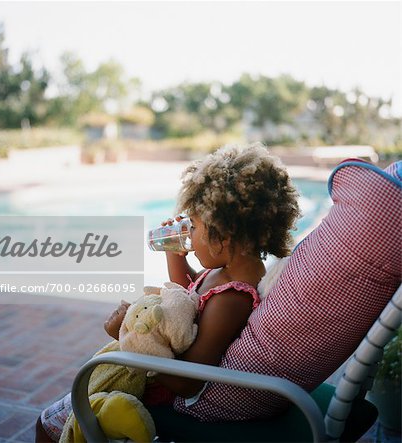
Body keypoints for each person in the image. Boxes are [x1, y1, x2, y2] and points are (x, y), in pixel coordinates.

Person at [36, 142, 300, 441]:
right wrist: (175, 256)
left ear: (222, 236)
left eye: (196, 227)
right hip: (153, 376)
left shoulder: (232, 300)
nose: (189, 234)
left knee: (46, 427)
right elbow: (189, 296)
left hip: (159, 392)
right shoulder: (227, 274)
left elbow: (188, 382)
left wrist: (127, 337)